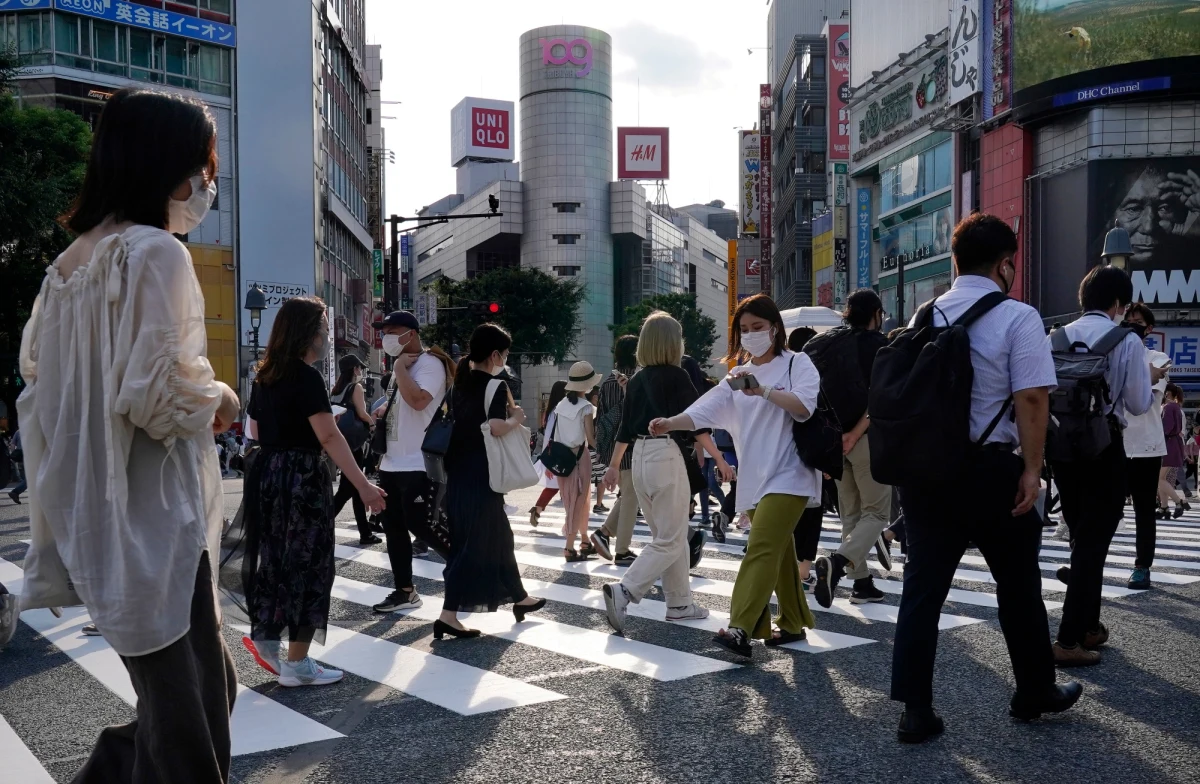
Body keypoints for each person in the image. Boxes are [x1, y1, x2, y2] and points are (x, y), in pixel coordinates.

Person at [16, 88, 245, 781]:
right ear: (164, 165)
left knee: (197, 695)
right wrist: (221, 397)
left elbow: (40, 384)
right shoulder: (156, 252)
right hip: (155, 513)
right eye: (201, 167)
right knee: (189, 726)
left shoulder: (66, 267)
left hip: (92, 507)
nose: (205, 183)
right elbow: (158, 397)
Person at [887, 213, 1080, 743]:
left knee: (922, 589)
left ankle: (915, 711)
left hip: (926, 472)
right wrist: (1033, 470)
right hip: (991, 469)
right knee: (1017, 583)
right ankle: (1034, 689)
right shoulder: (1018, 317)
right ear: (1006, 264)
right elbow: (1032, 397)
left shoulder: (924, 314)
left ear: (954, 261)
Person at [650, 295, 820, 657]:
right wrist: (671, 423)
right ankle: (792, 622)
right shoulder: (738, 375)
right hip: (755, 476)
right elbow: (705, 409)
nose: (751, 334)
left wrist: (765, 391)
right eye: (744, 329)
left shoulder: (797, 362)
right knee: (778, 551)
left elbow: (805, 406)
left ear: (775, 328)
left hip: (791, 473)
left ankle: (740, 628)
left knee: (761, 547)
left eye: (758, 327)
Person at [242, 297, 386, 688]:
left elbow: (255, 431)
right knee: (310, 562)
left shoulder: (264, 376)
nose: (326, 337)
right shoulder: (306, 377)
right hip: (303, 475)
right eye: (323, 329)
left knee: (275, 558)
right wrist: (364, 485)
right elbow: (328, 435)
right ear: (308, 334)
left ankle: (267, 637)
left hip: (269, 473)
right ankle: (297, 663)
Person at [1048, 266, 1157, 667]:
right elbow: (1138, 403)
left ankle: (1089, 626)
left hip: (1060, 447)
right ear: (1117, 303)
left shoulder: (1055, 337)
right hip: (1103, 447)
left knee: (1082, 536)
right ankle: (1067, 640)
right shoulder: (1125, 341)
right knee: (1093, 543)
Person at [601, 313, 731, 632]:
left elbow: (624, 429)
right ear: (674, 343)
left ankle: (680, 604)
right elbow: (696, 423)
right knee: (671, 538)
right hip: (666, 455)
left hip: (639, 458)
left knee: (671, 535)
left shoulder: (636, 380)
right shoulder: (677, 376)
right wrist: (719, 458)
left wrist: (614, 467)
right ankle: (625, 590)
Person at [438, 323, 545, 637]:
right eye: (506, 354)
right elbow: (497, 427)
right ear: (495, 355)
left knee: (499, 536)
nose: (506, 359)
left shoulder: (458, 385)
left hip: (458, 472)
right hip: (482, 474)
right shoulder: (495, 386)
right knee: (471, 544)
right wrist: (517, 419)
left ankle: (520, 596)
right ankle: (447, 614)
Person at [808, 289, 893, 607]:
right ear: (876, 314)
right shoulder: (878, 345)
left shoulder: (821, 344)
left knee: (851, 514)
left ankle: (862, 584)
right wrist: (856, 433)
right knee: (876, 513)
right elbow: (881, 397)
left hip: (833, 442)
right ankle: (838, 562)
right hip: (866, 438)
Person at [369, 310, 456, 612]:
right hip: (392, 461)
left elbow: (419, 401)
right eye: (384, 332)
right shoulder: (402, 365)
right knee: (394, 529)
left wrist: (399, 369)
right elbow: (403, 406)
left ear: (412, 333)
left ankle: (469, 568)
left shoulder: (429, 364)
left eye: (393, 331)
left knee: (423, 525)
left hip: (419, 461)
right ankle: (405, 591)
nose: (387, 338)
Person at [1119, 304, 1169, 590]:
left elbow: (1140, 400)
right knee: (1101, 509)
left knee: (1144, 512)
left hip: (1147, 447)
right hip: (1115, 444)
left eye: (1137, 322)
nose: (1131, 326)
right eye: (1127, 321)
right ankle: (1085, 564)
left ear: (1149, 328)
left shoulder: (1158, 358)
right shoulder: (1115, 354)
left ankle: (1142, 567)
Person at [590, 335, 640, 564]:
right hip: (631, 444)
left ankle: (604, 533)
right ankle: (622, 549)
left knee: (630, 494)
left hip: (612, 446)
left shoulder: (608, 382)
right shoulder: (635, 379)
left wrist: (603, 448)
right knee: (631, 497)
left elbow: (601, 418)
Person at [552, 361, 603, 560]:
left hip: (560, 457)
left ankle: (584, 540)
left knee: (571, 500)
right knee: (580, 500)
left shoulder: (561, 405)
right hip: (579, 456)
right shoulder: (586, 407)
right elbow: (590, 439)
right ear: (588, 385)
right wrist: (605, 450)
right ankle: (569, 548)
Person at [330, 354, 381, 545]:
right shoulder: (355, 387)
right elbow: (361, 412)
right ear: (354, 369)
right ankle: (321, 524)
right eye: (359, 367)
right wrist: (373, 425)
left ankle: (365, 532)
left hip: (340, 441)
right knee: (347, 489)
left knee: (355, 486)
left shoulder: (336, 390)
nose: (361, 371)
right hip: (355, 442)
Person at [529, 380, 568, 527]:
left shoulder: (551, 411)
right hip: (561, 454)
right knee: (566, 487)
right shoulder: (559, 411)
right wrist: (549, 461)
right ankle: (571, 521)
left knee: (555, 486)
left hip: (555, 453)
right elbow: (551, 437)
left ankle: (538, 509)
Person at [1158, 384, 1189, 519]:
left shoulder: (1168, 407)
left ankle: (1179, 501)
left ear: (1167, 393)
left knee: (1159, 479)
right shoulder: (1176, 407)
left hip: (1168, 445)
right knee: (1163, 479)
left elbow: (1166, 428)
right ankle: (1164, 507)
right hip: (1174, 444)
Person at [586, 386, 608, 513]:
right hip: (596, 449)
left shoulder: (585, 411)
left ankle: (585, 504)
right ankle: (598, 504)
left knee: (586, 478)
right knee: (601, 478)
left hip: (585, 450)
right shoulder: (596, 413)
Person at [7, 428, 24, 504]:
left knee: (27, 477)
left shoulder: (18, 432)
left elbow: (12, 445)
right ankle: (15, 492)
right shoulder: (34, 428)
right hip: (31, 457)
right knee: (31, 478)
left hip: (20, 456)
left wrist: (14, 455)